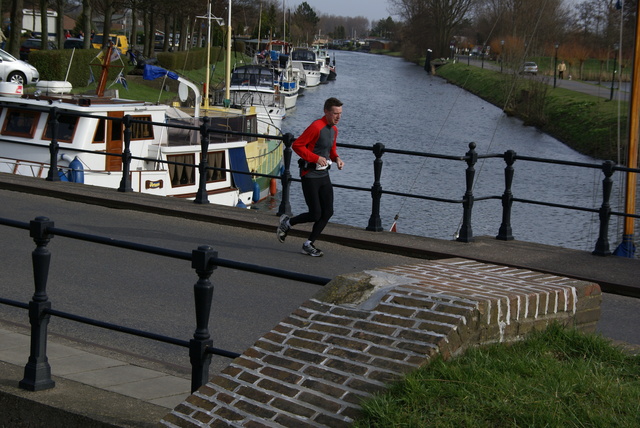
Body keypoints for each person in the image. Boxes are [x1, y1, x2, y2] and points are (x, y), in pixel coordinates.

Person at [277, 97, 345, 257]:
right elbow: (297, 145)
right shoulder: (316, 127)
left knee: (328, 212)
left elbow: (331, 150)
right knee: (315, 214)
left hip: (323, 174)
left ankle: (308, 244)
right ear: (326, 112)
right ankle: (287, 223)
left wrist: (337, 159)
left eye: (340, 113)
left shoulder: (334, 130)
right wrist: (315, 158)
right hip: (309, 175)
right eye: (335, 113)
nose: (338, 117)